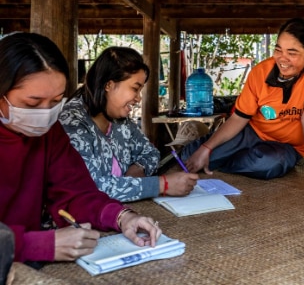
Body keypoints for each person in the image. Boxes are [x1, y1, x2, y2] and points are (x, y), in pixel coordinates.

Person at [0, 32, 161, 265]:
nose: (45, 113)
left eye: (56, 102)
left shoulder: (50, 133)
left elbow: (75, 192)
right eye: (32, 103)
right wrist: (37, 245)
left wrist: (121, 216)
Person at [182, 17, 304, 182]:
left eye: (292, 53)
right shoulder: (260, 72)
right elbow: (239, 118)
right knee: (189, 157)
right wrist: (206, 148)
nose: (282, 59)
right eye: (278, 50)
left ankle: (220, 162)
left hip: (288, 146)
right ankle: (216, 153)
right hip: (253, 131)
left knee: (269, 164)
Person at [59, 47, 199, 202]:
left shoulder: (120, 121)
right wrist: (161, 185)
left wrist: (138, 169)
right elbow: (91, 187)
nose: (138, 98)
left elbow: (151, 153)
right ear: (109, 85)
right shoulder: (72, 123)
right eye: (135, 88)